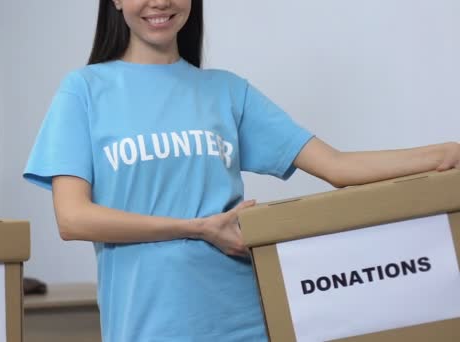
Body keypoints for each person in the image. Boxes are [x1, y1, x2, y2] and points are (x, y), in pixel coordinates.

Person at [23, 0, 460, 341]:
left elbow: (338, 167)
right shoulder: (84, 90)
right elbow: (74, 219)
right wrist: (196, 228)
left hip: (246, 320)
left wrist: (444, 154)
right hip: (147, 325)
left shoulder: (226, 91)